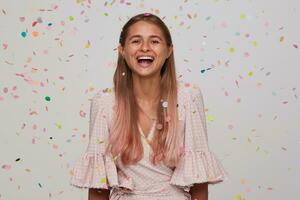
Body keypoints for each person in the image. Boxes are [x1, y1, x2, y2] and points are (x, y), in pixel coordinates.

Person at [70, 13, 228, 200]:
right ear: (122, 50)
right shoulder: (104, 102)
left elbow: (199, 180)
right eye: (136, 41)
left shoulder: (187, 98)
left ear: (169, 50)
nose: (145, 48)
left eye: (154, 41)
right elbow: (98, 186)